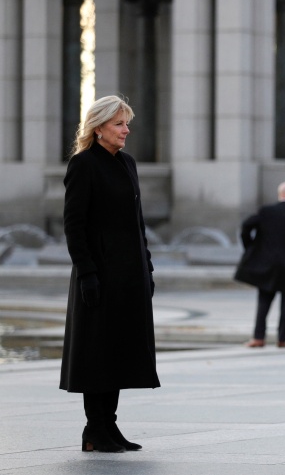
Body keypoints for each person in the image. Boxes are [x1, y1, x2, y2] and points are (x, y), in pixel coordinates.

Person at [60, 95, 160, 453]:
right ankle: (94, 429)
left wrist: (146, 265)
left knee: (118, 351)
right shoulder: (83, 165)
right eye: (119, 124)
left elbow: (138, 224)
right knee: (96, 353)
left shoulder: (128, 164)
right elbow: (74, 225)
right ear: (98, 127)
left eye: (126, 123)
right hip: (99, 275)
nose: (126, 130)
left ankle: (109, 427)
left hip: (129, 275)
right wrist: (87, 273)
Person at [239, 182, 285, 348]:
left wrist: (250, 248)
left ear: (280, 194)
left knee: (264, 300)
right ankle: (282, 339)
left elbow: (245, 227)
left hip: (267, 264)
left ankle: (259, 337)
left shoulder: (266, 211)